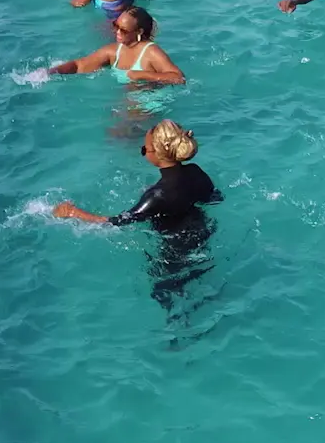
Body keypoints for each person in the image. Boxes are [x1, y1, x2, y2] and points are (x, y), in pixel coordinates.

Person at [53, 119, 221, 310]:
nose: (143, 152)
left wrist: (73, 212)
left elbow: (115, 223)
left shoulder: (155, 196)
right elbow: (214, 198)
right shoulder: (195, 172)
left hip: (174, 255)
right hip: (201, 239)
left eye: (145, 149)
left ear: (157, 154)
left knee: (166, 298)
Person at [49, 6, 184, 85]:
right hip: (128, 101)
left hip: (151, 103)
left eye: (124, 30)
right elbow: (80, 65)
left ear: (139, 31)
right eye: (116, 26)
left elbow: (178, 78)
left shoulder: (151, 52)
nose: (117, 32)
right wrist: (51, 72)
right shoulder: (114, 51)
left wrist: (143, 75)